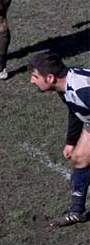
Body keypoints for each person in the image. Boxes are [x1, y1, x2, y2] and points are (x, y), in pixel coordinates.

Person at [28, 52, 90, 227]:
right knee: (80, 158)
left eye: (35, 76)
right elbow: (75, 109)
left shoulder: (82, 90)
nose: (32, 81)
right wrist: (71, 141)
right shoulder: (66, 86)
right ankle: (77, 212)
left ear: (50, 77)